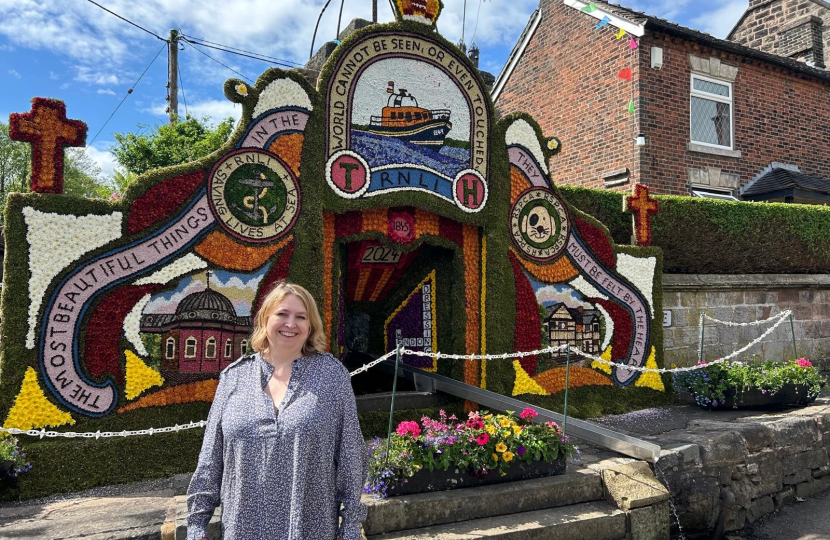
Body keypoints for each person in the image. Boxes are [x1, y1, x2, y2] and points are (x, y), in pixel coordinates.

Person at [186, 281, 367, 540]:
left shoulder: (331, 375)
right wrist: (196, 524)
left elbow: (350, 453)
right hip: (242, 527)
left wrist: (350, 525)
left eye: (300, 317)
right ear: (265, 318)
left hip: (310, 528)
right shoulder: (234, 377)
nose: (290, 324)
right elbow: (211, 457)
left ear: (311, 325)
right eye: (282, 314)